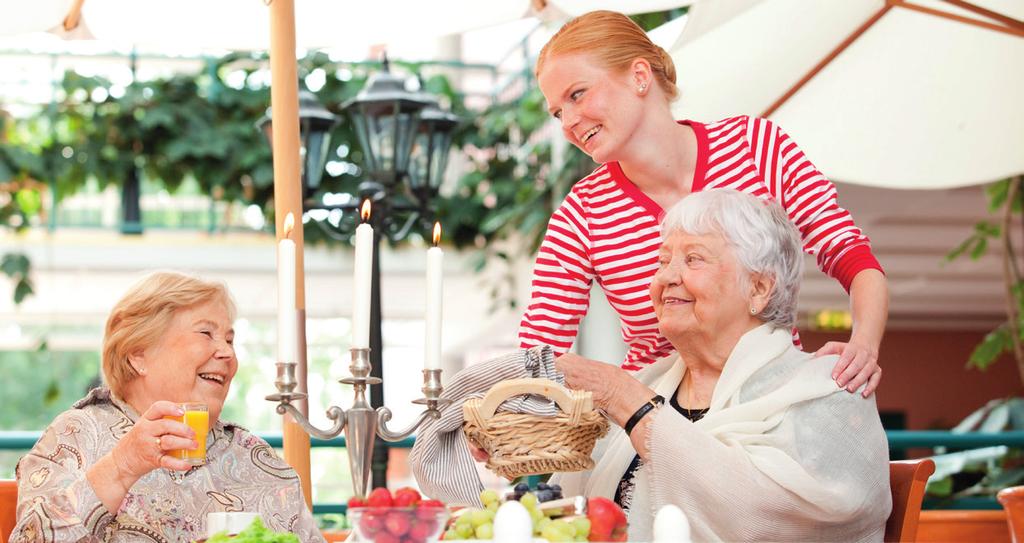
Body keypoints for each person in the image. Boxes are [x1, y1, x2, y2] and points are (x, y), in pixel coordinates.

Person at [411, 190, 891, 541]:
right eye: (663, 260)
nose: (668, 277)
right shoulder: (652, 381)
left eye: (693, 259)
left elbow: (762, 516)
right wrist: (514, 444)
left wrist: (628, 401)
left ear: (759, 289)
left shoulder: (824, 390)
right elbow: (572, 504)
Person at [517, 10, 887, 396]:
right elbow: (539, 346)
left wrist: (864, 344)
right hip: (655, 424)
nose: (568, 122)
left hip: (771, 403)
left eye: (577, 94)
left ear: (639, 76)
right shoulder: (581, 214)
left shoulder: (755, 147)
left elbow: (850, 252)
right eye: (558, 111)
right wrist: (510, 411)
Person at [9, 271, 325, 543]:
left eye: (230, 339)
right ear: (138, 354)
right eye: (207, 333)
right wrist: (121, 467)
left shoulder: (256, 458)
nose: (227, 353)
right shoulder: (78, 434)